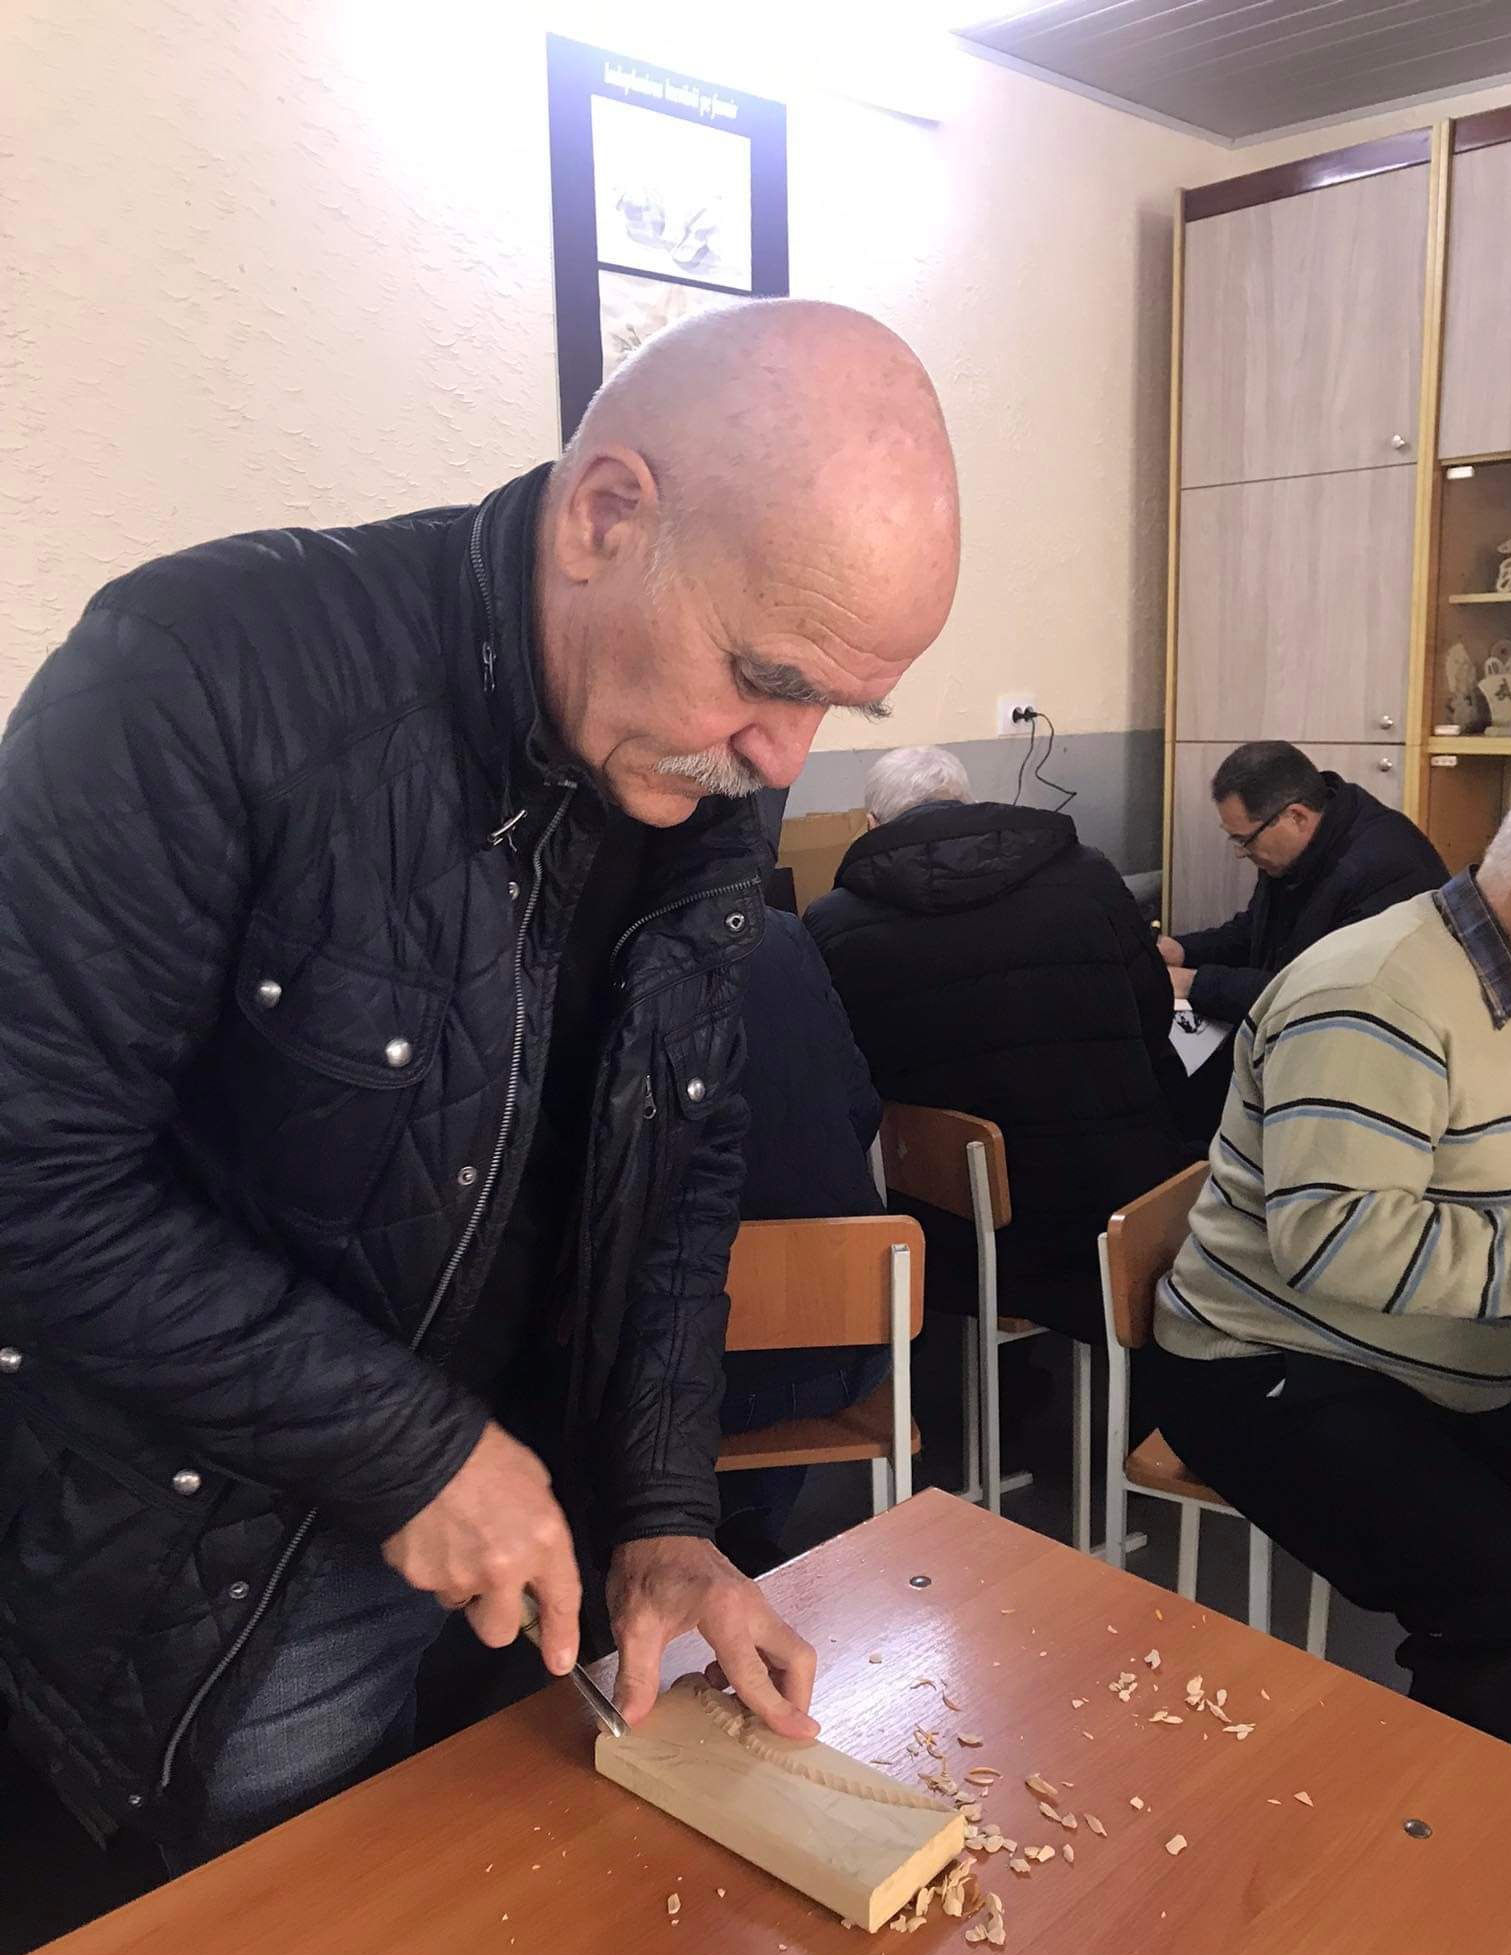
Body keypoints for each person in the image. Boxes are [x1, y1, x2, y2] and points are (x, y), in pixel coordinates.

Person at [0, 298, 960, 1863]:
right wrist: (412, 1450)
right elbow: (33, 1187)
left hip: (536, 1520)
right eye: (765, 676)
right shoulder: (194, 678)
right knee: (320, 1948)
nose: (787, 757)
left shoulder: (703, 757)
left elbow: (685, 1163)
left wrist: (663, 1513)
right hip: (235, 1562)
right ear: (605, 517)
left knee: (527, 1924)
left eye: (832, 708)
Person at [1144, 792, 1511, 1746]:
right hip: (1267, 1359)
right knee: (1509, 1598)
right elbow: (1337, 1241)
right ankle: (1457, 1824)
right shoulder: (1375, 996)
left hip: (1448, 1345)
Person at [804, 746, 1191, 1343]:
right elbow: (1153, 1011)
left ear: (872, 824)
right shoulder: (1088, 874)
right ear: (967, 801)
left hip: (955, 1237)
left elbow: (845, 1080)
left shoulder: (833, 922)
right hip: (1117, 1203)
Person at [716, 909, 889, 1572]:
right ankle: (748, 1527)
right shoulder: (782, 936)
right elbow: (860, 1109)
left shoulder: (548, 954)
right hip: (833, 1347)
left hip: (645, 1383)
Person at [1159, 739, 1447, 1023]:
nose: (1241, 852)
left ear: (1296, 816)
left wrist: (1194, 983)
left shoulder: (1385, 868)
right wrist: (1182, 951)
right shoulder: (1294, 851)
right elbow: (1257, 934)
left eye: (1245, 840)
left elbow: (1321, 996)